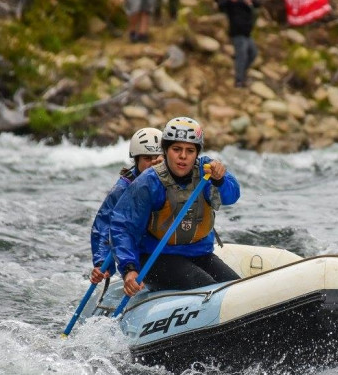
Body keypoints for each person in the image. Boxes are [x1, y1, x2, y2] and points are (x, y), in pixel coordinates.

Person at [111, 117, 241, 296]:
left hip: (199, 255)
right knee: (209, 290)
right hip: (156, 259)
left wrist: (221, 179)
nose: (183, 156)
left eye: (190, 150)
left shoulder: (207, 172)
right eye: (176, 149)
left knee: (236, 289)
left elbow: (232, 196)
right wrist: (129, 268)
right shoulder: (149, 182)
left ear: (197, 153)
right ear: (165, 151)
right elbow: (123, 226)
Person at [89, 127, 164, 284]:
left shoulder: (172, 179)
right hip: (140, 251)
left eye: (158, 157)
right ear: (136, 160)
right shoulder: (124, 188)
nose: (153, 163)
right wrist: (103, 263)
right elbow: (104, 225)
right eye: (147, 158)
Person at [217, 0, 261, 88]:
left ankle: (242, 75)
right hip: (237, 33)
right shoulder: (231, 4)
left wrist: (249, 2)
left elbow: (257, 4)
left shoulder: (246, 3)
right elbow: (220, 5)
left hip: (247, 33)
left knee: (253, 53)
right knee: (242, 56)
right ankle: (239, 81)